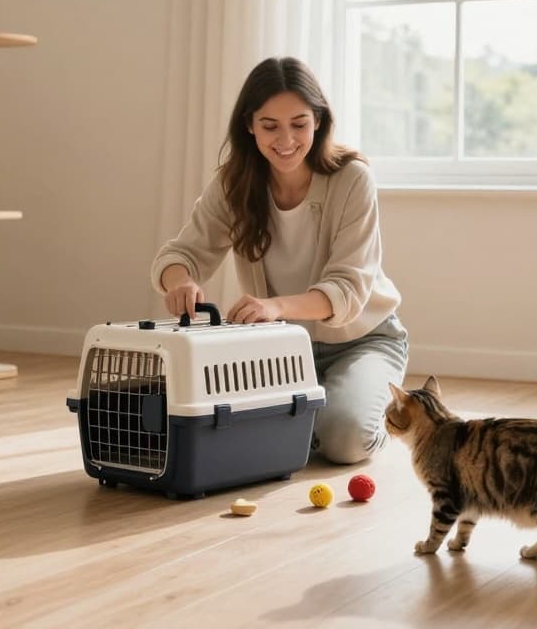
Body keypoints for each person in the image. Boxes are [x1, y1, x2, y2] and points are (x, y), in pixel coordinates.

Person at [151, 56, 409, 465]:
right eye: (270, 126)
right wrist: (180, 280)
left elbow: (346, 290)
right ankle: (310, 417)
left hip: (363, 342)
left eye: (299, 124)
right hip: (278, 351)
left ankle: (369, 416)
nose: (285, 139)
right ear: (249, 125)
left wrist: (275, 306)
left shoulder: (353, 179)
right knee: (209, 420)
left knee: (345, 439)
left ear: (318, 121)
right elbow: (181, 253)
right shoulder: (233, 184)